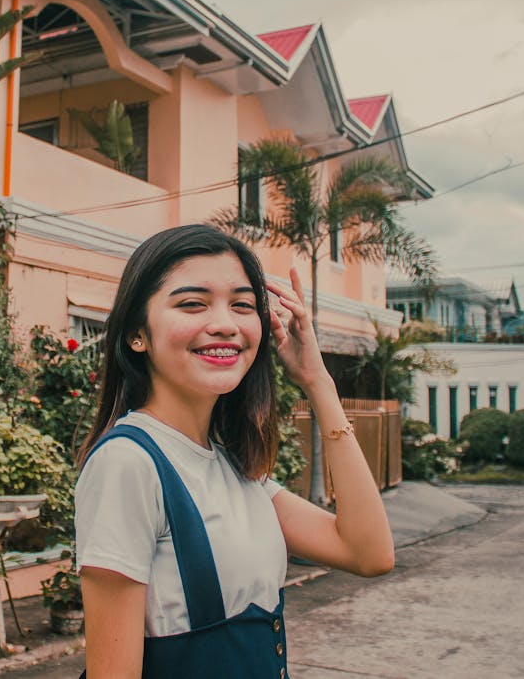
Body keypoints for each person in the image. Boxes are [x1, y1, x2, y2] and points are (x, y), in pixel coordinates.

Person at [74, 224, 394, 678]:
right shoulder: (129, 463)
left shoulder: (232, 466)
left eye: (242, 305)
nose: (225, 323)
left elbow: (369, 553)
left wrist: (317, 381)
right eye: (192, 303)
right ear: (135, 334)